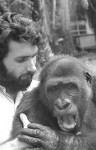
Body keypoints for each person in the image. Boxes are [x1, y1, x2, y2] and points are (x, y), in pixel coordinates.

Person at [0, 12, 58, 149]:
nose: (33, 67)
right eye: (21, 60)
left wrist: (59, 141)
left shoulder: (47, 94)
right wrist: (14, 146)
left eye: (33, 56)